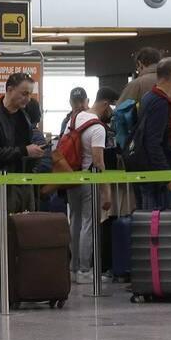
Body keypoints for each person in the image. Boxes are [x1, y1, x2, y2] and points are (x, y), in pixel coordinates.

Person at [65, 87, 117, 284]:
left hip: (71, 178)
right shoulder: (98, 127)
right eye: (111, 108)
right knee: (88, 222)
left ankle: (73, 268)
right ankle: (85, 270)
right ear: (105, 104)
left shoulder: (75, 118)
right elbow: (98, 160)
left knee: (75, 220)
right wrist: (106, 192)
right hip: (89, 179)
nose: (112, 113)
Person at [0, 72, 45, 213]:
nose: (28, 98)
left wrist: (35, 156)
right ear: (9, 90)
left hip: (24, 184)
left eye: (30, 94)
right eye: (24, 93)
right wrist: (24, 151)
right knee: (0, 230)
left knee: (25, 230)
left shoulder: (24, 117)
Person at [132, 57, 171, 210]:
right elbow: (153, 142)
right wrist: (166, 175)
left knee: (153, 222)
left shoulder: (148, 98)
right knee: (158, 224)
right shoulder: (160, 103)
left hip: (152, 173)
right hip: (160, 179)